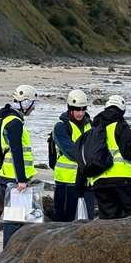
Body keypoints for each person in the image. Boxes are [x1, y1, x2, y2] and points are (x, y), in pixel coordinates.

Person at [0, 84, 38, 248]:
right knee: (14, 221)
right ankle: (9, 254)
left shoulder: (10, 119)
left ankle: (12, 253)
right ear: (25, 103)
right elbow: (16, 152)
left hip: (9, 176)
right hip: (13, 179)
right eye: (33, 105)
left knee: (18, 219)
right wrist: (21, 180)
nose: (34, 109)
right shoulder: (14, 123)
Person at [50, 89, 97, 222]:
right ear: (69, 108)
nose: (81, 113)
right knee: (64, 220)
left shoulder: (91, 126)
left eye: (83, 109)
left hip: (87, 181)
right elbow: (71, 152)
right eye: (77, 109)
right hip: (67, 181)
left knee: (86, 220)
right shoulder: (61, 127)